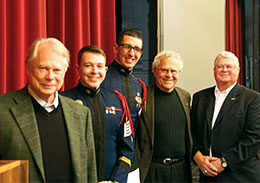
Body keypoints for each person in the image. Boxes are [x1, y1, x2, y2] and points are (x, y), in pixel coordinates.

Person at [0, 38, 97, 182]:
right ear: (28, 68)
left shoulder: (81, 114)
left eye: (57, 70)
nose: (50, 77)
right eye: (43, 68)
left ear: (64, 72)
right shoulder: (3, 109)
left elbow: (89, 173)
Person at [61, 45, 134, 183]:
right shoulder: (63, 102)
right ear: (78, 69)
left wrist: (115, 180)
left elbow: (127, 149)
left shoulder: (118, 102)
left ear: (105, 70)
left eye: (100, 66)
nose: (95, 71)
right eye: (88, 65)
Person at [191, 51, 260, 182]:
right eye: (220, 66)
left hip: (240, 176)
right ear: (214, 70)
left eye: (229, 66)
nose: (224, 70)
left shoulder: (252, 99)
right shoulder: (199, 97)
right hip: (207, 176)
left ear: (238, 70)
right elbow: (192, 133)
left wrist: (224, 162)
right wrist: (197, 157)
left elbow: (254, 139)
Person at [136, 50, 192, 182]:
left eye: (174, 71)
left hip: (181, 170)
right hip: (153, 171)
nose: (169, 75)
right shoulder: (143, 97)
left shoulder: (185, 96)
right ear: (155, 71)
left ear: (179, 73)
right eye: (164, 70)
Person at [101, 28, 146, 182]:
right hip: (107, 166)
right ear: (116, 48)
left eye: (137, 49)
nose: (132, 53)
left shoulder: (139, 85)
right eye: (127, 46)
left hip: (132, 166)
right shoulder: (101, 77)